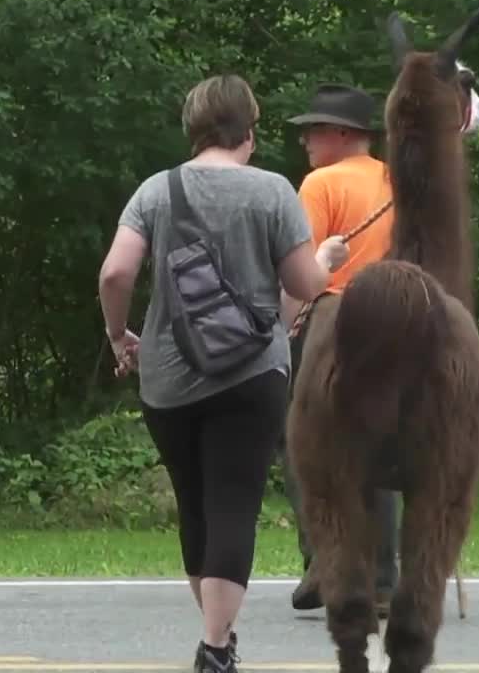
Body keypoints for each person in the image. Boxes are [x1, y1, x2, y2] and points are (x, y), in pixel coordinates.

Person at [97, 73, 348, 673]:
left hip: (167, 378)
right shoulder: (272, 193)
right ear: (250, 132)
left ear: (192, 129)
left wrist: (117, 333)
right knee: (234, 504)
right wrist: (325, 259)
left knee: (196, 507)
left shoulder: (155, 192)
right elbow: (304, 287)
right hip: (251, 375)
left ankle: (219, 638)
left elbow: (114, 275)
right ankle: (215, 645)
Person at [280, 75, 479, 615]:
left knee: (316, 442)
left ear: (341, 134)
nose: (306, 144)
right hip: (416, 316)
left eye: (313, 133)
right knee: (398, 439)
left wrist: (283, 323)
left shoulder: (320, 185)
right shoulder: (400, 179)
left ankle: (327, 562)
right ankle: (382, 572)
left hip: (340, 316)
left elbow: (304, 272)